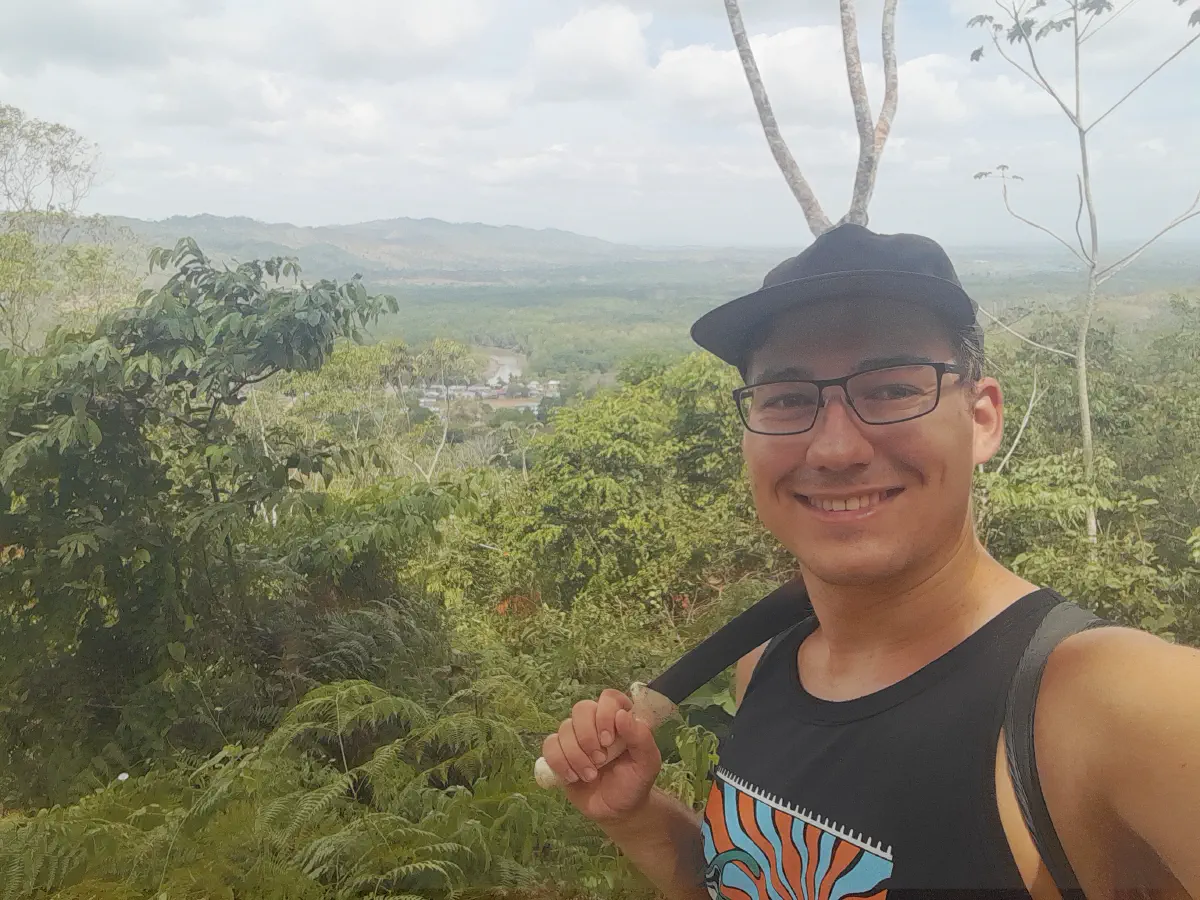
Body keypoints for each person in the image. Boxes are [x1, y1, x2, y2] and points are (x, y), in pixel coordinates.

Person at [540, 223, 1200, 900]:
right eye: (789, 399)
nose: (834, 450)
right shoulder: (764, 667)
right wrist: (640, 821)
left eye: (889, 389)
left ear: (982, 419)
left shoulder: (1101, 705)